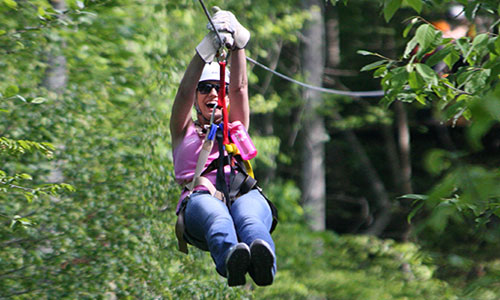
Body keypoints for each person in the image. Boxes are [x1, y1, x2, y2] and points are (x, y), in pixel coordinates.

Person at [170, 8, 277, 287]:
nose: (213, 94)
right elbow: (183, 91)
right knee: (217, 218)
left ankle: (264, 264)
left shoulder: (236, 125)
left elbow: (241, 87)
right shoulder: (184, 131)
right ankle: (232, 260)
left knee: (251, 219)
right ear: (196, 97)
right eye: (205, 88)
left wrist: (239, 45)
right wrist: (204, 51)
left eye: (219, 88)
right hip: (201, 200)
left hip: (243, 194)